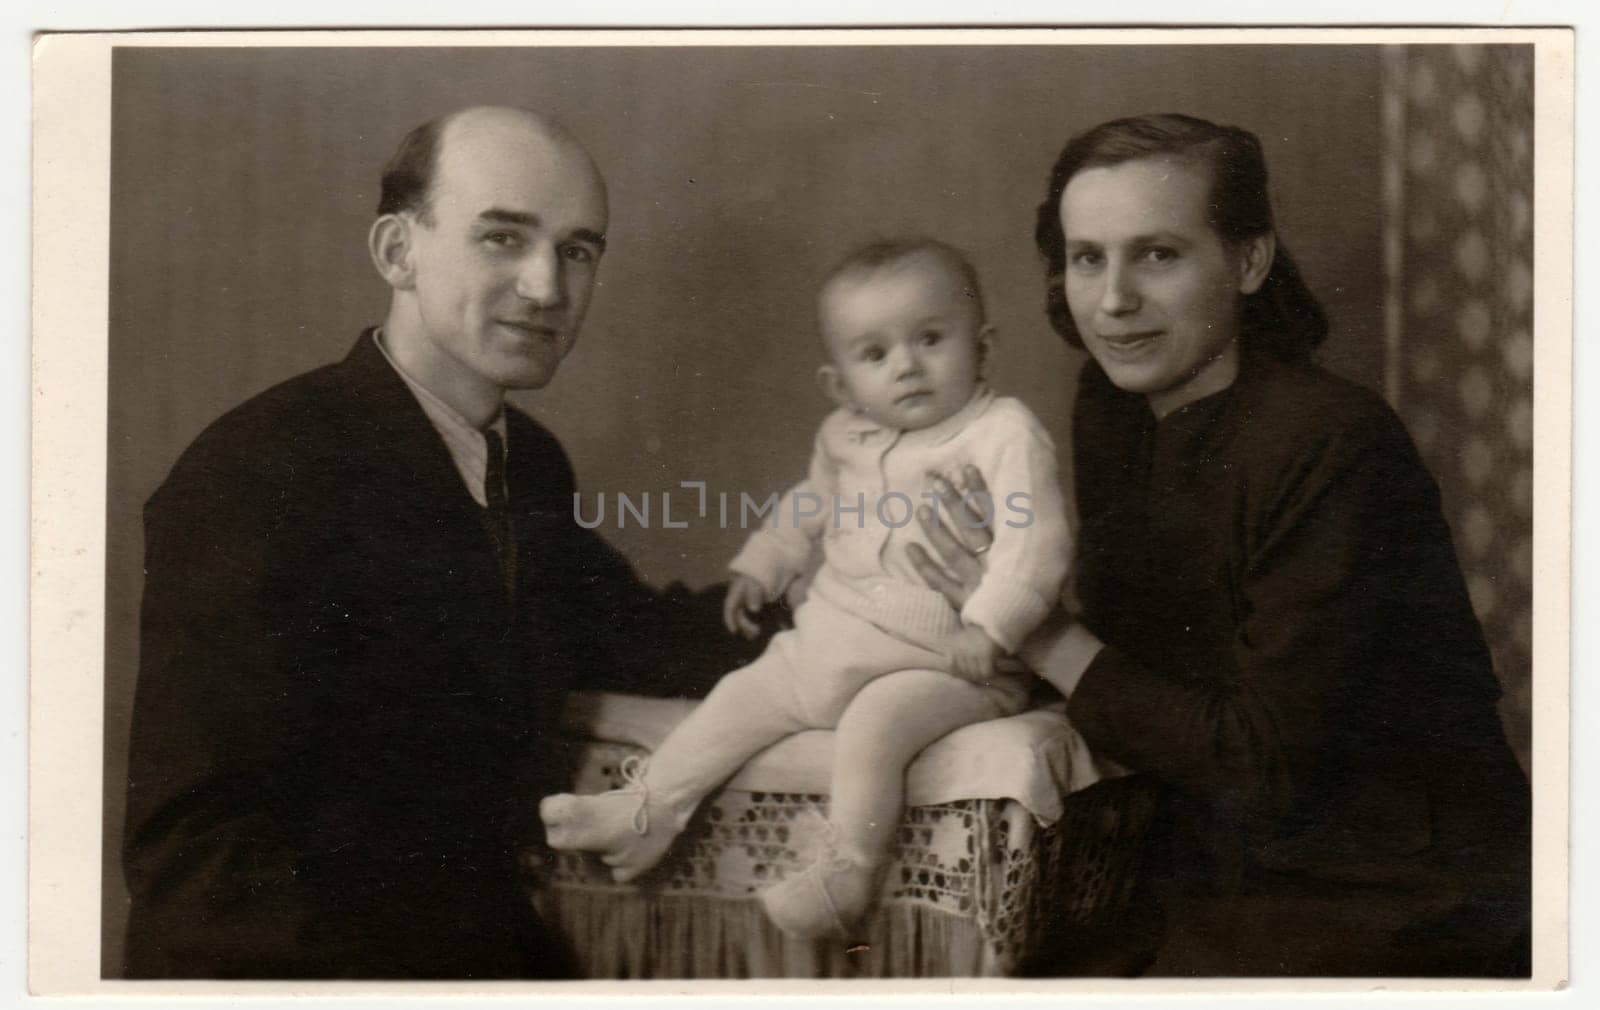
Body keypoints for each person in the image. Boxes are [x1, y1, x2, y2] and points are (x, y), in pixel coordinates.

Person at [121, 106, 757, 979]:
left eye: (578, 250)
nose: (546, 287)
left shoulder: (526, 463)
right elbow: (202, 865)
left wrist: (899, 602)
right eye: (503, 238)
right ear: (396, 252)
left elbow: (636, 633)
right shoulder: (259, 471)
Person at [908, 113, 1532, 977]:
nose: (1114, 300)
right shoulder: (1116, 406)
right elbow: (1146, 659)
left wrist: (1038, 629)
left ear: (1249, 261)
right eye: (1088, 257)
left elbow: (1261, 764)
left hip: (1397, 902)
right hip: (1203, 869)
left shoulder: (1334, 441)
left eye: (1158, 254)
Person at [540, 239, 1070, 939]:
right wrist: (764, 564)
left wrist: (992, 628)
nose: (907, 365)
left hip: (949, 664)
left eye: (931, 339)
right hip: (832, 641)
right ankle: (646, 813)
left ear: (984, 347)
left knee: (875, 726)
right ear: (841, 384)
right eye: (875, 355)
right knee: (739, 696)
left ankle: (848, 872)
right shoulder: (845, 435)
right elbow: (809, 504)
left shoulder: (1001, 433)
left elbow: (1039, 540)